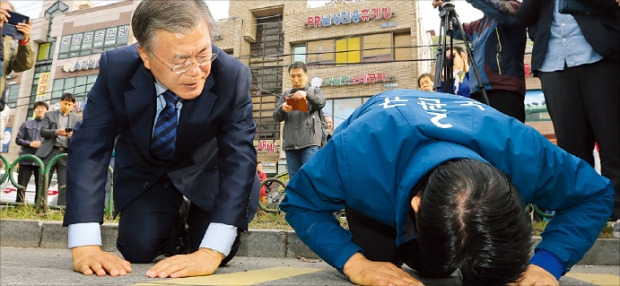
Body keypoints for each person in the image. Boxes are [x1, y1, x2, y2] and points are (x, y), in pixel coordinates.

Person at [280, 89, 614, 286]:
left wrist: (548, 263)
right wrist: (354, 263)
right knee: (387, 262)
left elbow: (596, 193)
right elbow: (299, 201)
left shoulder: (523, 150)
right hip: (380, 161)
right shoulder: (354, 154)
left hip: (453, 134)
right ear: (416, 207)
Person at [63, 0, 259, 279]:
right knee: (138, 248)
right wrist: (84, 245)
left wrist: (210, 252)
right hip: (149, 170)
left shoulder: (232, 75)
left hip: (208, 171)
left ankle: (200, 224)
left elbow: (239, 156)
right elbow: (90, 149)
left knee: (216, 247)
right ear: (145, 55)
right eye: (180, 61)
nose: (195, 71)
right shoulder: (116, 69)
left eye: (203, 54)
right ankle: (171, 221)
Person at [518, 0, 620, 237]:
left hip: (599, 57)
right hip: (554, 64)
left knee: (612, 138)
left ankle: (617, 211)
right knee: (571, 147)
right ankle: (582, 215)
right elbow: (524, 17)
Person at [434, 0, 527, 122]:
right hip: (478, 92)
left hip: (504, 90)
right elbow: (455, 30)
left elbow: (498, 9)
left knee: (506, 136)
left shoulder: (515, 8)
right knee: (485, 138)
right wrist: (444, 7)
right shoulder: (478, 25)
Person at [273, 61, 326, 179]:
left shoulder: (315, 91)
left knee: (309, 178)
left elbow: (321, 102)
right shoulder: (285, 95)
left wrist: (306, 95)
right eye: (292, 76)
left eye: (299, 76)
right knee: (295, 180)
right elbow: (276, 117)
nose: (296, 79)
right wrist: (282, 109)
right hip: (290, 145)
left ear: (306, 76)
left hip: (310, 143)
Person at [35, 93, 79, 206]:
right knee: (44, 181)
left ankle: (61, 209)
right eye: (65, 103)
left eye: (70, 104)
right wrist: (55, 132)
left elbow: (80, 136)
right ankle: (40, 207)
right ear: (60, 101)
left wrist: (72, 135)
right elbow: (43, 131)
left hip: (65, 153)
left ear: (73, 105)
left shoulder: (75, 118)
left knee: (64, 184)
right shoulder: (49, 115)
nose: (67, 106)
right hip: (50, 151)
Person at [0, 1, 34, 142]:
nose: (3, 15)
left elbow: (23, 64)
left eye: (8, 13)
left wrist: (24, 41)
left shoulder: (8, 41)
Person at [14, 101, 49, 204]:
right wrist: (30, 143)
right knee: (21, 186)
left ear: (46, 110)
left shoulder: (49, 126)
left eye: (43, 108)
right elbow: (18, 139)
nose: (40, 110)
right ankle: (19, 207)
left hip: (41, 160)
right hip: (26, 159)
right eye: (38, 108)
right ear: (34, 110)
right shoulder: (26, 124)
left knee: (40, 187)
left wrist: (41, 143)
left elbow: (51, 140)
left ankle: (38, 208)